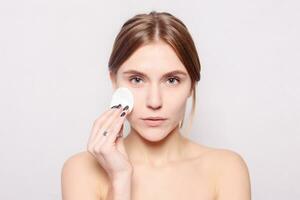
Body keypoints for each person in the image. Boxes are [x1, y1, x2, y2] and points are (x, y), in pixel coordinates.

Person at [61, 11, 251, 200]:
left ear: (192, 85)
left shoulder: (226, 170)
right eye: (137, 79)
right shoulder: (81, 171)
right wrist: (119, 179)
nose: (154, 102)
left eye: (172, 80)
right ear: (114, 81)